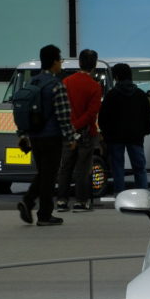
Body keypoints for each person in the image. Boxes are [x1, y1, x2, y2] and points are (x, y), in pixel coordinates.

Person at [16, 44, 77, 227]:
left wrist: (22, 134)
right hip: (52, 137)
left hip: (34, 136)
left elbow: (23, 110)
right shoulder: (56, 85)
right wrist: (71, 137)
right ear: (54, 62)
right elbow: (63, 115)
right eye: (60, 60)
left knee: (44, 173)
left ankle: (28, 203)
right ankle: (43, 215)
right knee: (49, 177)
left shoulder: (32, 82)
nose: (61, 64)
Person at [55, 49, 103, 212]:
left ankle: (62, 201)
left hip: (67, 133)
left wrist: (70, 126)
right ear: (94, 65)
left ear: (79, 63)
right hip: (87, 133)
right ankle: (81, 202)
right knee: (83, 168)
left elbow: (60, 107)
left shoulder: (66, 82)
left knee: (65, 167)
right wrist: (78, 125)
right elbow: (91, 114)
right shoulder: (95, 86)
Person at [99, 63, 150, 194]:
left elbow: (103, 117)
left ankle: (120, 195)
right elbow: (148, 115)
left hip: (115, 138)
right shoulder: (140, 94)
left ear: (116, 77)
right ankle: (142, 195)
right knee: (139, 168)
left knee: (118, 168)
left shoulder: (111, 95)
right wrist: (145, 131)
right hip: (135, 137)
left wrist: (105, 134)